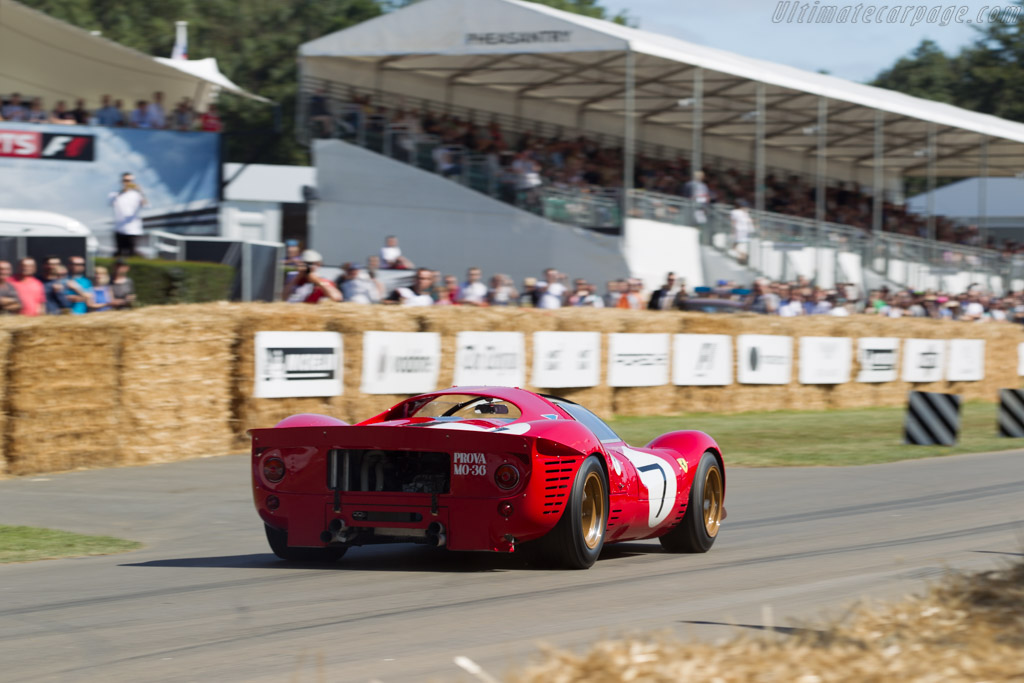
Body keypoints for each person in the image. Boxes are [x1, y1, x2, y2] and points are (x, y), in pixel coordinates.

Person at [109, 172, 147, 257]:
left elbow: (146, 205)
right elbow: (111, 202)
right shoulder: (115, 194)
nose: (128, 183)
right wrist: (123, 191)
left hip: (133, 229)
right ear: (121, 181)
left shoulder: (137, 195)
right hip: (119, 228)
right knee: (119, 253)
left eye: (130, 181)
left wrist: (140, 191)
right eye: (125, 180)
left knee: (132, 252)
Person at [730, 199, 755, 263]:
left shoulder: (735, 212)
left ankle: (743, 255)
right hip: (745, 231)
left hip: (739, 230)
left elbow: (733, 222)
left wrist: (733, 230)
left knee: (735, 246)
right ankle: (743, 256)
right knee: (738, 245)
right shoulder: (745, 212)